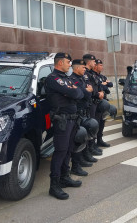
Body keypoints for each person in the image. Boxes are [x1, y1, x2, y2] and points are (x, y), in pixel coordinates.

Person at [45, 52, 84, 200]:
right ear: (60, 63)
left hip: (72, 119)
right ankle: (54, 186)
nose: (70, 65)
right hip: (62, 120)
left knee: (68, 150)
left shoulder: (66, 78)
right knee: (60, 151)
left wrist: (73, 92)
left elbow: (78, 93)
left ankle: (64, 177)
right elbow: (74, 93)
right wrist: (72, 92)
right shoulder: (53, 79)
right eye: (68, 62)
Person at [69, 59, 94, 177]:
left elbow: (88, 92)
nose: (85, 69)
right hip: (77, 113)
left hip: (84, 111)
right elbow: (83, 94)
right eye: (83, 67)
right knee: (78, 138)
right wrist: (87, 91)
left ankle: (83, 158)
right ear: (77, 68)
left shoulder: (81, 79)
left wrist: (87, 91)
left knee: (84, 136)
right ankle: (75, 166)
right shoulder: (73, 80)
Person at [83, 54, 104, 158]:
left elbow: (97, 86)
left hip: (95, 102)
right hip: (90, 103)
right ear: (88, 62)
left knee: (95, 125)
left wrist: (101, 92)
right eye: (93, 61)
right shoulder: (85, 74)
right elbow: (89, 89)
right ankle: (89, 148)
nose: (95, 63)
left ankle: (93, 145)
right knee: (91, 127)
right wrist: (97, 94)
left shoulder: (92, 74)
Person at [93, 59, 113, 148]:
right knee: (95, 124)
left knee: (102, 123)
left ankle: (100, 140)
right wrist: (104, 85)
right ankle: (93, 143)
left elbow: (110, 85)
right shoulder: (93, 76)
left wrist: (103, 84)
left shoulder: (102, 76)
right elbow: (98, 87)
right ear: (96, 66)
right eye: (100, 65)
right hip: (96, 104)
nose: (102, 67)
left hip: (103, 104)